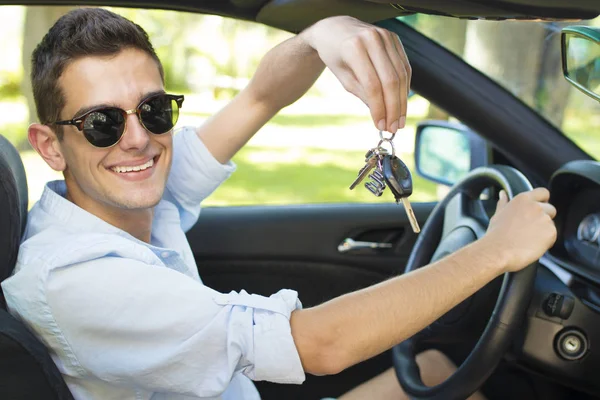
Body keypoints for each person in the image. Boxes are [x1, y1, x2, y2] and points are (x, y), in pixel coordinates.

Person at [0, 8, 557, 400]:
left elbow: (260, 96)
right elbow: (321, 344)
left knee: (437, 371)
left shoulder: (116, 191)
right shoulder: (81, 279)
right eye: (102, 123)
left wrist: (319, 35)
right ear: (51, 146)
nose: (137, 139)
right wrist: (494, 251)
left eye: (153, 110)